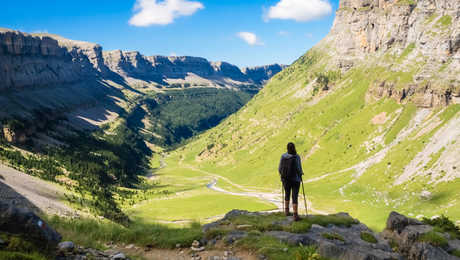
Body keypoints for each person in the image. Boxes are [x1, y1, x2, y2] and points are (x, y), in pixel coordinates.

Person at [278, 142, 303, 221]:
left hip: (286, 179)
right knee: (294, 196)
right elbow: (299, 168)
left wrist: (283, 176)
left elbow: (279, 168)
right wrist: (301, 174)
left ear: (287, 148)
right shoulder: (297, 156)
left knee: (287, 194)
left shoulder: (283, 156)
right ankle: (295, 215)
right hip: (295, 179)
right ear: (294, 148)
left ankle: (286, 211)